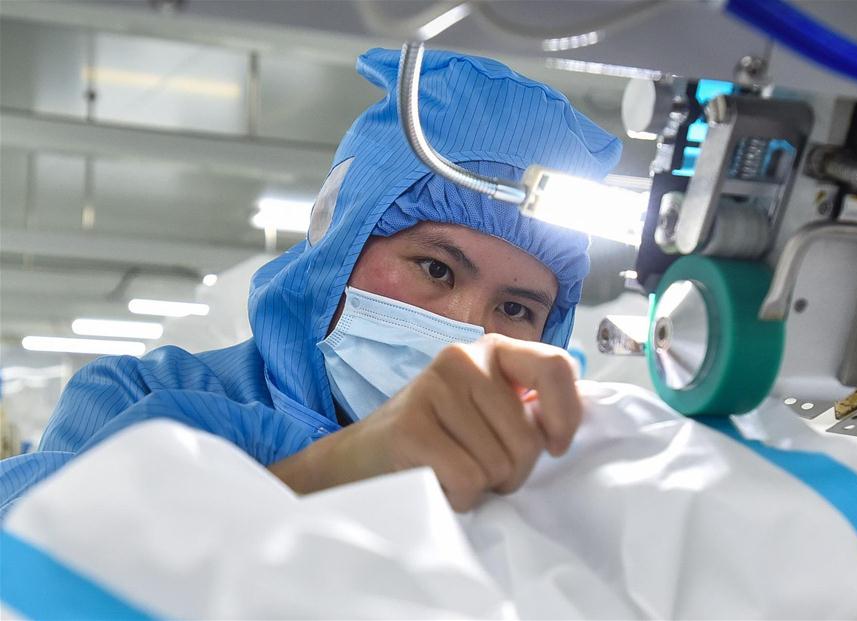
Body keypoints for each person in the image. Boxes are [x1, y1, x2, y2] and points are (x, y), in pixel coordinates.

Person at [0, 48, 621, 515]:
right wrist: (335, 471)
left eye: (516, 309)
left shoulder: (549, 473)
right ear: (339, 247)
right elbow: (31, 544)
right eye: (436, 269)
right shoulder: (142, 398)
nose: (467, 334)